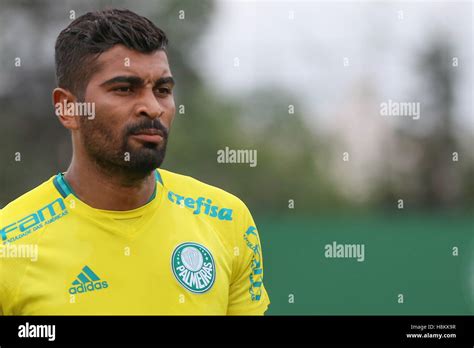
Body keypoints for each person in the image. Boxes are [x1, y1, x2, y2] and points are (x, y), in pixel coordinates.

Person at [0, 8, 270, 315]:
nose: (153, 108)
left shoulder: (227, 220)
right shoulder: (9, 244)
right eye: (124, 89)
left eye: (162, 90)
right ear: (68, 109)